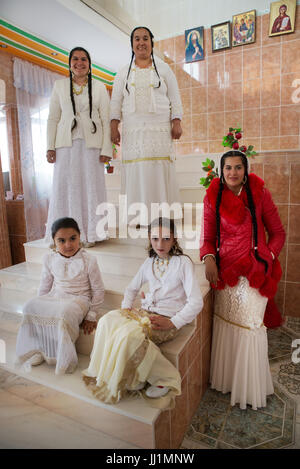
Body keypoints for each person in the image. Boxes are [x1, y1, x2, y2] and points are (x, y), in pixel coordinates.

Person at [82, 217, 203, 408]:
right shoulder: (149, 262)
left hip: (167, 320)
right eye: (155, 239)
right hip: (144, 313)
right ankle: (109, 372)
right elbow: (131, 289)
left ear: (174, 239)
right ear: (149, 238)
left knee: (129, 336)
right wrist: (126, 310)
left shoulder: (183, 263)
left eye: (165, 239)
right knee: (107, 320)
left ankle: (164, 377)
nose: (160, 244)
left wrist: (174, 322)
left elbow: (196, 301)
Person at [200, 150, 286, 410]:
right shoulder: (212, 198)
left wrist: (267, 256)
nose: (233, 173)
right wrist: (209, 259)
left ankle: (250, 389)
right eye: (228, 168)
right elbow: (207, 238)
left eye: (238, 168)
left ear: (245, 171)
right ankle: (227, 382)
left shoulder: (259, 194)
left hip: (255, 271)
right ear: (221, 171)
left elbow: (278, 233)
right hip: (227, 273)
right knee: (227, 323)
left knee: (250, 326)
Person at [110, 27, 183, 227]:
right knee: (138, 169)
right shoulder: (123, 72)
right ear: (132, 44)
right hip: (133, 130)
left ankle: (163, 218)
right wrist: (113, 125)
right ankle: (138, 218)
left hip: (159, 128)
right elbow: (115, 101)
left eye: (145, 38)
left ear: (152, 42)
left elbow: (174, 97)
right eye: (137, 39)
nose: (141, 42)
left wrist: (176, 121)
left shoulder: (165, 68)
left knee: (157, 168)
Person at [16, 217, 105, 375]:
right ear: (54, 241)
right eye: (61, 240)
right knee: (29, 306)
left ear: (80, 236)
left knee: (64, 313)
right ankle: (39, 349)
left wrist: (91, 315)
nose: (68, 245)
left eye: (73, 238)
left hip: (79, 298)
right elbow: (45, 284)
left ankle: (63, 354)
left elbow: (98, 290)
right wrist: (40, 303)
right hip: (56, 295)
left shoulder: (89, 260)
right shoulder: (49, 259)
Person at [45, 47, 112, 247]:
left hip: (92, 145)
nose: (79, 62)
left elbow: (106, 119)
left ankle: (91, 233)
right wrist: (50, 146)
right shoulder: (59, 86)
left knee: (91, 186)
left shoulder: (99, 87)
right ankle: (63, 235)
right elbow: (53, 118)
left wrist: (107, 149)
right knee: (65, 187)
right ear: (70, 62)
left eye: (84, 59)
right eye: (75, 59)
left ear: (89, 64)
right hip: (65, 145)